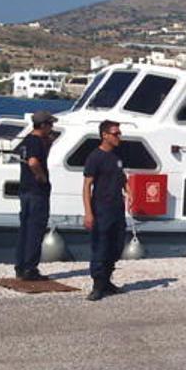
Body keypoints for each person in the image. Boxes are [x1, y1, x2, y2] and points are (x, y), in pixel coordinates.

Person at [83, 119, 128, 301]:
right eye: (116, 134)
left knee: (116, 246)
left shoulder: (116, 157)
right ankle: (97, 285)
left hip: (117, 208)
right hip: (101, 209)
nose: (119, 137)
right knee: (100, 247)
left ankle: (107, 281)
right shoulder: (95, 157)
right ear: (105, 135)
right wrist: (88, 212)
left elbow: (122, 177)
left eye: (119, 133)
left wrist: (129, 192)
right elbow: (87, 185)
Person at [14, 110, 56, 281]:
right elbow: (33, 162)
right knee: (35, 229)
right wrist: (41, 177)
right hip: (36, 191)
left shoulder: (26, 140)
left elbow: (25, 157)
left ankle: (21, 266)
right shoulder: (36, 142)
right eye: (50, 125)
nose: (52, 128)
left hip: (25, 189)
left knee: (25, 229)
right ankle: (30, 268)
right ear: (44, 125)